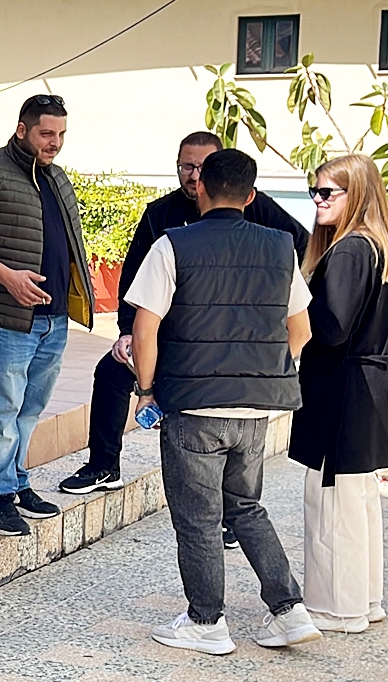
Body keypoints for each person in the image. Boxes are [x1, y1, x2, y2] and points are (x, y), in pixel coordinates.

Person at [128, 148, 320, 654]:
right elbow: (300, 330)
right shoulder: (280, 247)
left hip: (193, 406)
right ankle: (289, 610)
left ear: (201, 190)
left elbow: (144, 330)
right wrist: (263, 369)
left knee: (197, 518)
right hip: (254, 409)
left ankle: (206, 622)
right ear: (251, 196)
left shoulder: (173, 245)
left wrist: (146, 389)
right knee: (246, 508)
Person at [62, 131, 309, 516]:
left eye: (201, 168)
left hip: (234, 347)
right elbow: (133, 282)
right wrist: (127, 332)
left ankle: (231, 512)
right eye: (185, 167)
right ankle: (103, 466)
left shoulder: (258, 210)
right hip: (173, 340)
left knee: (227, 458)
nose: (193, 176)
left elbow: (304, 252)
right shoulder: (161, 215)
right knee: (111, 371)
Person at [291, 154, 388, 633]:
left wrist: (292, 310)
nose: (317, 201)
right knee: (357, 501)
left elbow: (331, 326)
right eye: (315, 192)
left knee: (332, 504)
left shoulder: (348, 250)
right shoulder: (374, 246)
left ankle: (337, 608)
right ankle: (363, 600)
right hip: (367, 388)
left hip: (340, 391)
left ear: (355, 194)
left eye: (327, 193)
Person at [0, 95, 93, 536]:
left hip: (52, 319)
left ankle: (16, 483)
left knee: (29, 410)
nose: (54, 142)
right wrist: (8, 278)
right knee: (0, 413)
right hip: (3, 318)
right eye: (46, 133)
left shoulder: (55, 176)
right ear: (22, 130)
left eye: (60, 134)